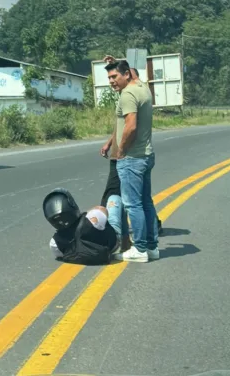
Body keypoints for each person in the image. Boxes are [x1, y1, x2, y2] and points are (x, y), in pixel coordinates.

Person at [105, 59, 158, 263]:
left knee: (132, 204)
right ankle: (151, 247)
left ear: (127, 74)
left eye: (114, 76)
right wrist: (117, 62)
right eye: (109, 77)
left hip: (133, 158)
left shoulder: (127, 94)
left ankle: (140, 248)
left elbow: (130, 126)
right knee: (146, 202)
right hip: (146, 155)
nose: (111, 81)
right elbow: (134, 73)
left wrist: (122, 150)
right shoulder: (142, 87)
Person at [44, 188, 119, 265]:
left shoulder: (54, 243)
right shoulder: (92, 217)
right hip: (113, 244)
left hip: (88, 255)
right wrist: (86, 213)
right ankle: (125, 239)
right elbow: (102, 210)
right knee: (114, 198)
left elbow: (60, 254)